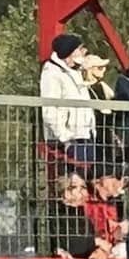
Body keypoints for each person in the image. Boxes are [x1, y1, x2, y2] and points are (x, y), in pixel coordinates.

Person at [39, 33, 98, 169]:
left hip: (84, 134)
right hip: (69, 139)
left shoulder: (74, 71)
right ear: (70, 52)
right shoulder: (52, 73)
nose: (83, 52)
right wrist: (64, 137)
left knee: (86, 179)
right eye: (79, 49)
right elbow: (50, 109)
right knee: (73, 179)